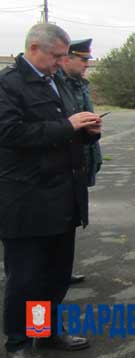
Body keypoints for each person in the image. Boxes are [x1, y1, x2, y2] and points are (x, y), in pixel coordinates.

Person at [0, 23, 101, 354]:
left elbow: (65, 126)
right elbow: (11, 133)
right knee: (26, 278)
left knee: (54, 277)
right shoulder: (9, 85)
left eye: (63, 56)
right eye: (56, 56)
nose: (61, 62)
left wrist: (87, 129)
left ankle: (44, 332)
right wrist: (67, 126)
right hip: (27, 200)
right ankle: (18, 342)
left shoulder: (56, 81)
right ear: (33, 49)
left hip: (63, 197)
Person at [58, 38, 104, 286]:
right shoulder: (55, 85)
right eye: (84, 59)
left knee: (70, 221)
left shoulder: (79, 86)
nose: (87, 64)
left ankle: (63, 269)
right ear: (67, 58)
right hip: (57, 169)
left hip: (80, 160)